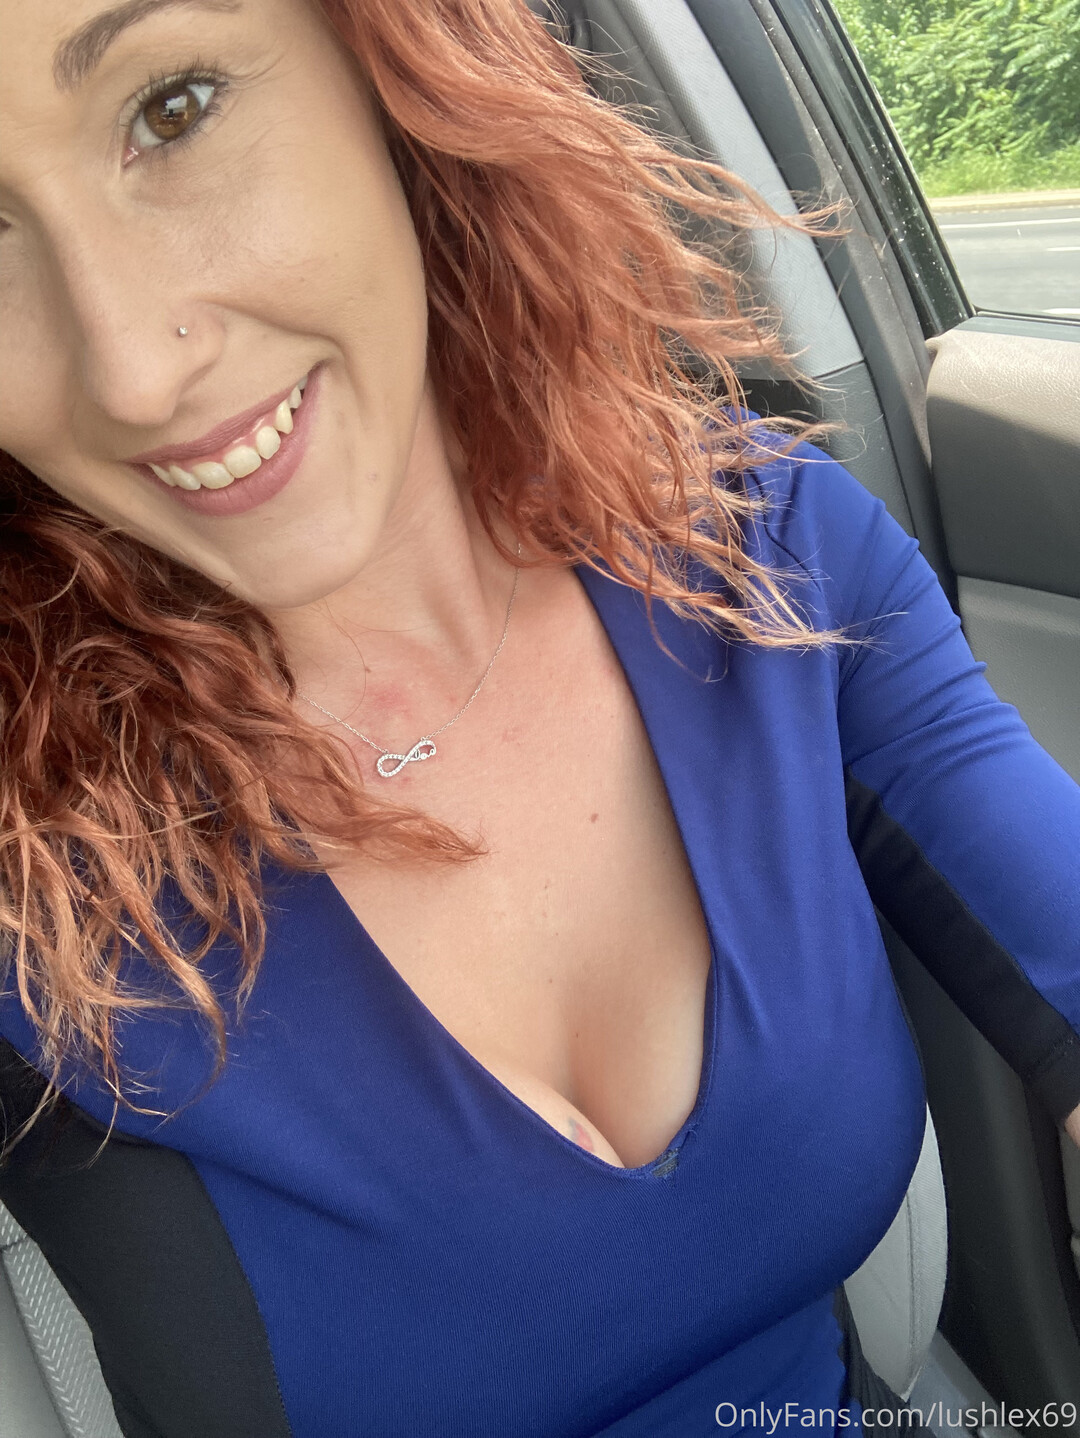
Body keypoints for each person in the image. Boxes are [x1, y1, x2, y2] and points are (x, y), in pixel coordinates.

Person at [1, 1, 1078, 1435]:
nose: (133, 369)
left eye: (174, 109)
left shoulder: (764, 560)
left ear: (394, 66)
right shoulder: (25, 851)